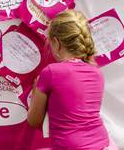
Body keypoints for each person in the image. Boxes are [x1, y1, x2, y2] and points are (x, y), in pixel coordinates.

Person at [27, 10, 117, 149]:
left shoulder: (51, 72)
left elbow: (34, 121)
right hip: (103, 144)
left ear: (56, 42)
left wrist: (35, 90)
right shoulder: (96, 72)